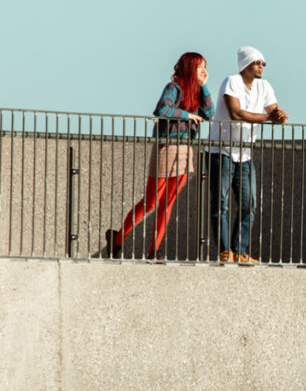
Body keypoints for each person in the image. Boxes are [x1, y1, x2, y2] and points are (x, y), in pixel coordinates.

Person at [106, 52, 212, 260]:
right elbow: (162, 109)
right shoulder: (174, 88)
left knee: (169, 202)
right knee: (152, 202)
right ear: (190, 68)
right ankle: (118, 239)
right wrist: (187, 115)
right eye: (200, 67)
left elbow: (209, 113)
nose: (203, 71)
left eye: (205, 67)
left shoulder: (197, 91)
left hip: (185, 149)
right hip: (166, 147)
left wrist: (205, 86)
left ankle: (155, 250)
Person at [206, 46, 288, 264]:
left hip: (245, 153)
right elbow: (236, 113)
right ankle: (225, 251)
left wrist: (278, 115)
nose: (261, 67)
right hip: (220, 150)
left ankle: (240, 251)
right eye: (257, 63)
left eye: (263, 63)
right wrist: (270, 118)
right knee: (220, 203)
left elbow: (272, 109)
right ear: (246, 65)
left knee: (248, 203)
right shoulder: (232, 81)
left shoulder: (264, 86)